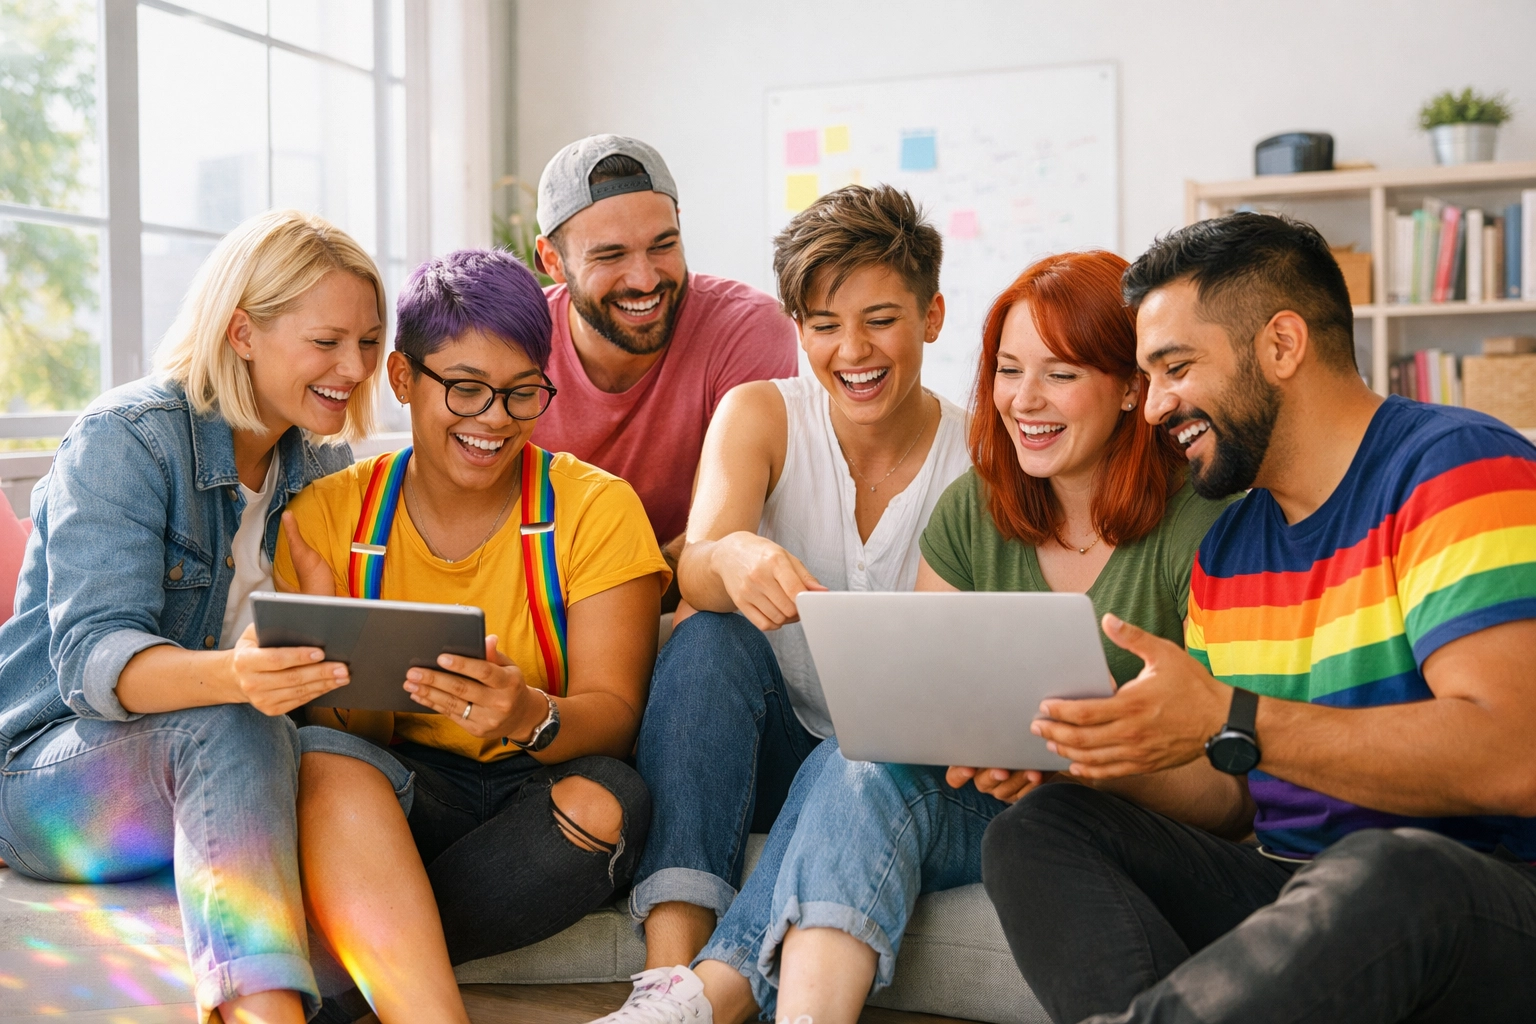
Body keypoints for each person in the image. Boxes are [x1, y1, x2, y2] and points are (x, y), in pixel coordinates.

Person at [606, 247, 1241, 1024]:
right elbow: (920, 713)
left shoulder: (1205, 524)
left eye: (1061, 373)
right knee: (860, 757)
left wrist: (1087, 755)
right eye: (1008, 370)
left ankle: (715, 991)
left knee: (858, 759)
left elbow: (1232, 794)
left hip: (1113, 817)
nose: (1025, 400)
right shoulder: (975, 506)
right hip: (985, 798)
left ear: (1131, 388)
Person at [986, 213, 1536, 1024]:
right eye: (1149, 377)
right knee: (1041, 826)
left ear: (1282, 345)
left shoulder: (1455, 469)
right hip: (1295, 890)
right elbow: (1235, 799)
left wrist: (1232, 717)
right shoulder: (1229, 548)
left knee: (1390, 868)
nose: (1154, 408)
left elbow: (1514, 756)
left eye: (1176, 368)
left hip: (1474, 897)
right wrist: (1089, 754)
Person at [588, 184, 972, 1022]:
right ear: (798, 329)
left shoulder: (979, 452)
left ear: (933, 316)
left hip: (892, 769)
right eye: (824, 325)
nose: (852, 351)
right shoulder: (761, 412)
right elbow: (695, 570)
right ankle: (665, 981)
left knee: (859, 753)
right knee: (706, 635)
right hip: (767, 749)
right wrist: (731, 554)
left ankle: (707, 997)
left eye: (881, 320)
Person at [0, 209, 385, 1024]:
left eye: (369, 341)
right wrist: (239, 676)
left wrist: (350, 640)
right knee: (232, 723)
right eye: (327, 341)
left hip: (226, 746)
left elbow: (315, 685)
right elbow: (93, 661)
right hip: (46, 773)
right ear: (243, 332)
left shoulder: (320, 461)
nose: (354, 367)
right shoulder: (127, 440)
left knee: (359, 767)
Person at [278, 248, 671, 1024]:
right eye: (465, 389)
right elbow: (341, 740)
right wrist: (347, 654)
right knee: (326, 764)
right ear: (402, 378)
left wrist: (527, 715)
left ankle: (346, 974)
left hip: (538, 791)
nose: (494, 419)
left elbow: (616, 715)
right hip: (403, 794)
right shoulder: (325, 517)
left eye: (522, 393)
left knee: (610, 802)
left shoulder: (595, 508)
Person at [531, 135, 798, 594]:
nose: (645, 279)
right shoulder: (515, 341)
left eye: (662, 245)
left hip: (688, 598)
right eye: (610, 255)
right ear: (553, 261)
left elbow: (727, 539)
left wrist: (610, 604)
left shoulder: (746, 327)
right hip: (546, 599)